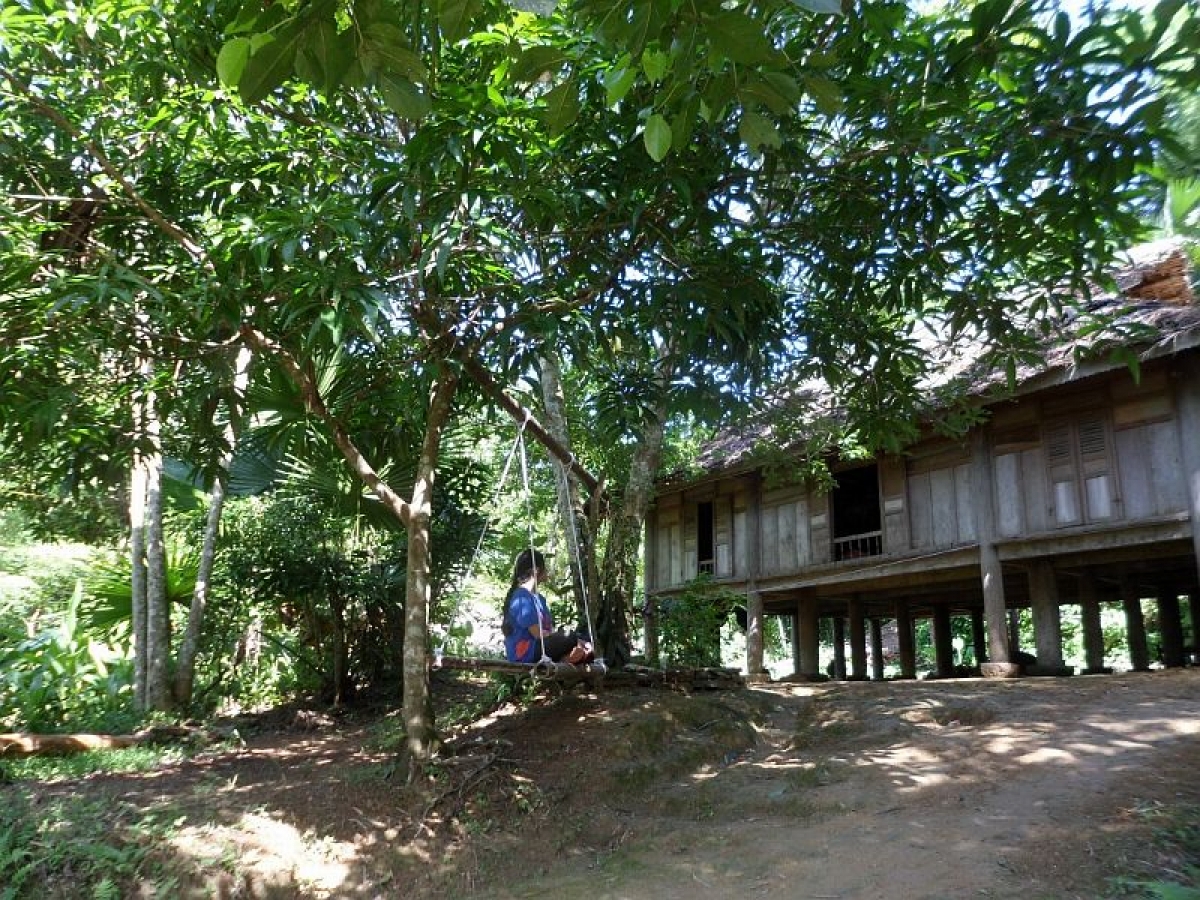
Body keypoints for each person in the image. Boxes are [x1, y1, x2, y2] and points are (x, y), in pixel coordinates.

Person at [501, 548, 592, 665]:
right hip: (526, 653)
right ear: (536, 570)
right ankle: (569, 657)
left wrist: (577, 641)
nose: (547, 570)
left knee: (585, 638)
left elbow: (549, 631)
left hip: (542, 646)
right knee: (572, 638)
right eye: (545, 567)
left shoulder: (540, 598)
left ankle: (572, 656)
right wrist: (573, 640)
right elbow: (538, 634)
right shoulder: (521, 597)